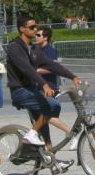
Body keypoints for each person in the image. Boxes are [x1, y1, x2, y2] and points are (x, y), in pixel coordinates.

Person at [6, 16, 80, 150]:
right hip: (20, 91)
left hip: (32, 90)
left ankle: (50, 159)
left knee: (45, 124)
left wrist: (72, 76)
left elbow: (51, 65)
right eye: (32, 27)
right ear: (22, 29)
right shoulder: (14, 47)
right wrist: (44, 84)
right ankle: (31, 135)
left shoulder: (34, 49)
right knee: (51, 105)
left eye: (36, 27)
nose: (35, 30)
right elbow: (26, 69)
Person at [34, 26, 77, 147]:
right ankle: (47, 149)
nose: (35, 37)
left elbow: (52, 69)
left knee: (47, 117)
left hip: (49, 88)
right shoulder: (37, 50)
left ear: (45, 37)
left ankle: (71, 133)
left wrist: (34, 71)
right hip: (39, 88)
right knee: (40, 120)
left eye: (38, 35)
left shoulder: (50, 51)